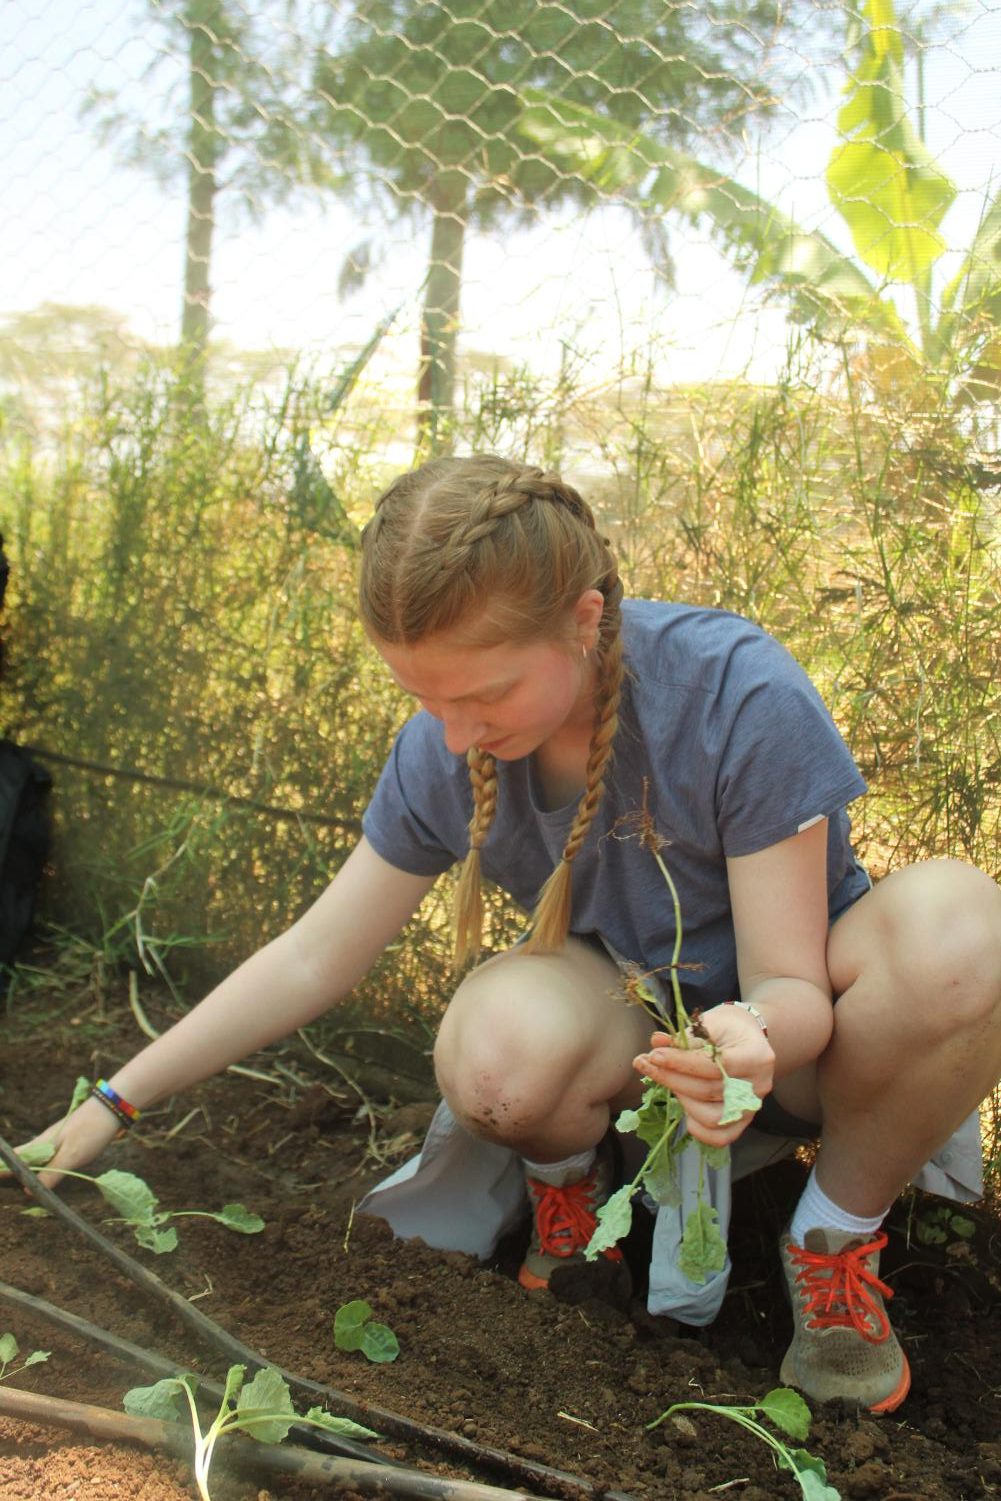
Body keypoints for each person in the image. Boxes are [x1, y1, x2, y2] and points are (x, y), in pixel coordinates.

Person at [16, 455, 1001, 1415]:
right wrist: (114, 1100)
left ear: (583, 618)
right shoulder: (446, 749)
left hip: (801, 1050)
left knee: (963, 930)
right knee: (496, 1053)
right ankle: (570, 1205)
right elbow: (313, 955)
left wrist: (746, 1035)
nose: (452, 733)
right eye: (424, 698)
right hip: (632, 1035)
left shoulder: (731, 695)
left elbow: (792, 985)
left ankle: (832, 1235)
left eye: (483, 696)